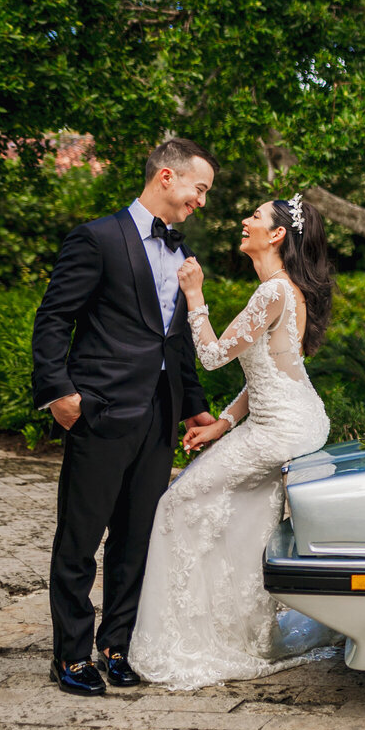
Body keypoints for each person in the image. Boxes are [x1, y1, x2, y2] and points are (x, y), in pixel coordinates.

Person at [128, 192, 341, 689]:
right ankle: (242, 630)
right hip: (299, 420)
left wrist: (195, 296)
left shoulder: (273, 292)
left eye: (255, 217)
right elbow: (267, 371)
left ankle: (191, 639)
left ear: (276, 235)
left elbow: (212, 355)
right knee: (249, 518)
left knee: (178, 503)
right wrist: (223, 422)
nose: (244, 221)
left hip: (279, 430)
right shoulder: (287, 291)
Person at [32, 138, 220, 696]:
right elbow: (53, 318)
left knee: (135, 540)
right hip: (102, 412)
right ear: (167, 177)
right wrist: (59, 391)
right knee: (79, 540)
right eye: (199, 189)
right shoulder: (97, 238)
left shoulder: (180, 254)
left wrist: (193, 405)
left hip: (159, 418)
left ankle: (116, 646)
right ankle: (70, 655)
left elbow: (175, 340)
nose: (201, 201)